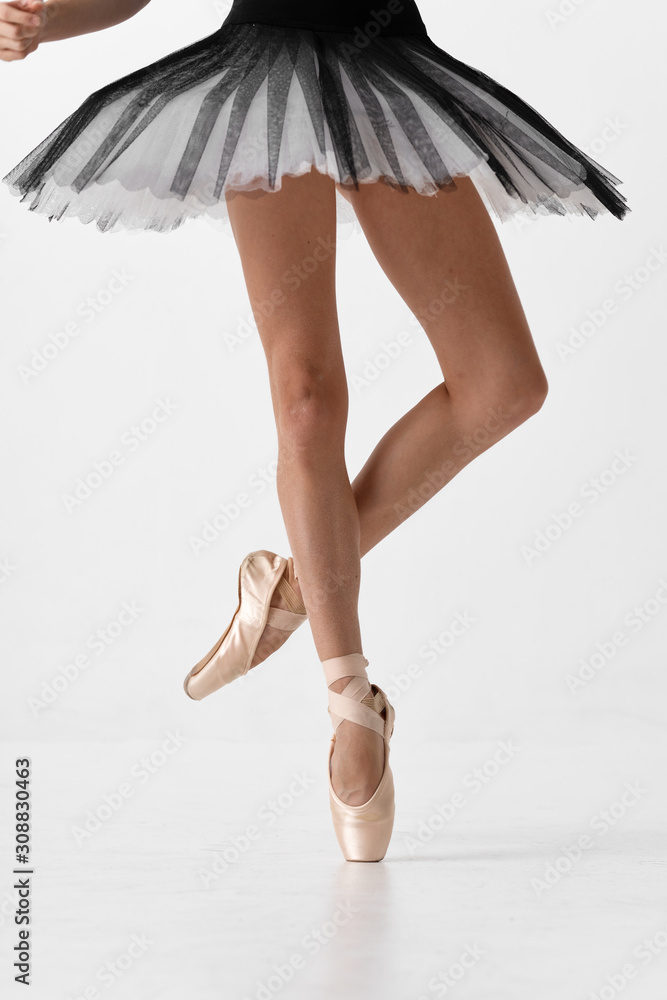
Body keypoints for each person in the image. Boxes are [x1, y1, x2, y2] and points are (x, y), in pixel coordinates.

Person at [1, 0, 630, 862]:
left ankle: (295, 587)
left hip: (383, 62)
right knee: (304, 396)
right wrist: (46, 21)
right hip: (266, 73)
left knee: (503, 384)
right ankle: (350, 704)